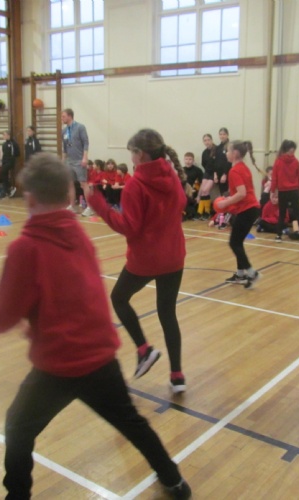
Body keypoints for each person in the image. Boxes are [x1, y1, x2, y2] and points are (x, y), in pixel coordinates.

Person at [0, 153, 191, 500]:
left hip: (58, 366)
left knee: (17, 426)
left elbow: (6, 316)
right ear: (71, 195)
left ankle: (17, 496)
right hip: (101, 358)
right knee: (132, 423)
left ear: (29, 199)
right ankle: (174, 481)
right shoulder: (78, 234)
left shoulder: (25, 248)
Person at [88, 129, 188, 394]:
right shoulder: (171, 175)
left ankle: (144, 350)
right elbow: (181, 203)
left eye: (131, 153)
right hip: (174, 256)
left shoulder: (135, 185)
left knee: (119, 299)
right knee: (167, 313)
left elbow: (128, 227)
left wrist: (99, 204)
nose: (130, 158)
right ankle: (177, 376)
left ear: (140, 154)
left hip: (146, 259)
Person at [215, 140, 261, 289]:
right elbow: (241, 192)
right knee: (238, 242)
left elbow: (242, 193)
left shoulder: (234, 171)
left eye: (227, 151)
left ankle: (252, 273)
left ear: (234, 153)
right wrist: (230, 200)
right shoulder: (243, 167)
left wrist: (225, 203)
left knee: (234, 243)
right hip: (250, 209)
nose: (226, 153)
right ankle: (240, 274)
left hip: (247, 209)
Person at [271, 140, 299, 242]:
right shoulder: (295, 161)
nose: (292, 152)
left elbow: (275, 178)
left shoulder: (278, 161)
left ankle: (278, 235)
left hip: (285, 190)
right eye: (292, 150)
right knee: (296, 212)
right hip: (293, 190)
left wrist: (273, 190)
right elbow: (298, 177)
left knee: (283, 213)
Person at [61, 108, 89, 212]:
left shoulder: (80, 127)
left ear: (70, 116)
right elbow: (65, 147)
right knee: (70, 183)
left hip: (79, 160)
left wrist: (85, 157)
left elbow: (86, 143)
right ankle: (72, 206)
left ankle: (90, 207)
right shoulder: (64, 131)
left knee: (83, 183)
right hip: (69, 160)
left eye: (63, 116)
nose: (62, 118)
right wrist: (63, 161)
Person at [196, 133, 217, 220]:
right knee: (202, 191)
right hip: (207, 172)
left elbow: (219, 163)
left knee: (205, 190)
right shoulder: (204, 152)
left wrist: (216, 174)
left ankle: (207, 212)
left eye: (208, 140)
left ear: (211, 140)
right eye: (205, 140)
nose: (207, 142)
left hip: (214, 173)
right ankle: (200, 212)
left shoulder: (216, 150)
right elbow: (204, 164)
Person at [183, 152, 203, 221]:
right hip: (184, 193)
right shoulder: (181, 170)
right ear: (184, 160)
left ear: (193, 160)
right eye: (186, 159)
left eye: (190, 159)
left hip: (194, 193)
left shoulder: (198, 171)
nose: (188, 161)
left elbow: (202, 184)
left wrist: (199, 196)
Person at [1, 130, 20, 198]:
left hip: (10, 162)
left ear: (8, 135)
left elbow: (17, 153)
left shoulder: (13, 143)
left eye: (5, 135)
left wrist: (12, 159)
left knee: (3, 171)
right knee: (3, 174)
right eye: (3, 135)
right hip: (5, 161)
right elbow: (4, 153)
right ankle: (8, 190)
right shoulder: (4, 144)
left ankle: (9, 188)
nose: (3, 136)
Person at [214, 127, 232, 195]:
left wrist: (225, 174)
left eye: (224, 134)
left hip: (226, 173)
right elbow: (216, 161)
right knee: (222, 193)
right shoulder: (218, 147)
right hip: (219, 173)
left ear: (227, 135)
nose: (222, 136)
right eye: (220, 134)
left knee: (227, 194)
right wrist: (215, 174)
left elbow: (229, 161)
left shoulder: (230, 146)